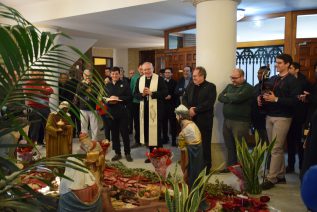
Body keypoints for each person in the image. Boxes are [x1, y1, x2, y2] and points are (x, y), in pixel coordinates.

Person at [258, 54, 301, 190]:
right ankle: (281, 175)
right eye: (276, 63)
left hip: (283, 117)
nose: (277, 65)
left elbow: (295, 101)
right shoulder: (273, 78)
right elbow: (267, 93)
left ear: (288, 64)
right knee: (275, 147)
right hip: (270, 115)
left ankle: (271, 178)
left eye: (280, 63)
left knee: (275, 148)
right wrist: (261, 99)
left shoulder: (293, 81)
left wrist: (276, 99)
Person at [182, 66, 216, 172]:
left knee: (204, 144)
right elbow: (184, 98)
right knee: (192, 144)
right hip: (191, 120)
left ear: (202, 76)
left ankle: (206, 168)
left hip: (204, 120)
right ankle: (193, 166)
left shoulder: (210, 86)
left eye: (195, 76)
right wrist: (188, 109)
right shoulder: (191, 85)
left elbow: (209, 103)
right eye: (193, 75)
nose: (193, 77)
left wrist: (195, 110)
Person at [218, 68, 254, 168]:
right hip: (227, 121)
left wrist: (228, 96)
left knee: (240, 148)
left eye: (235, 78)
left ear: (242, 77)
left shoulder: (248, 88)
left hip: (240, 122)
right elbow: (220, 97)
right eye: (231, 78)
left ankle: (242, 170)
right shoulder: (229, 86)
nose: (232, 80)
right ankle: (231, 168)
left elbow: (238, 98)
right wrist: (232, 97)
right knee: (230, 147)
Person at [134, 62, 168, 163]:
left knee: (156, 132)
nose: (147, 71)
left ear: (153, 68)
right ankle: (152, 154)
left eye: (149, 69)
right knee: (148, 133)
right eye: (144, 70)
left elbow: (165, 93)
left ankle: (160, 155)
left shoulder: (159, 79)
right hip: (144, 110)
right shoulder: (140, 79)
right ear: (142, 70)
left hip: (156, 110)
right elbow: (135, 94)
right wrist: (142, 94)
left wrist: (152, 93)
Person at [104, 67, 133, 162]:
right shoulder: (107, 85)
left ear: (119, 74)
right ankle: (117, 153)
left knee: (124, 134)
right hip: (111, 113)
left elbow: (129, 97)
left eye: (116, 74)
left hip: (122, 113)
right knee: (114, 134)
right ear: (110, 74)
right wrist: (109, 100)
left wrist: (118, 98)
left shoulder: (125, 84)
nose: (114, 75)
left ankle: (127, 153)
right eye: (113, 74)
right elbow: (103, 98)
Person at [286, 62, 310, 173]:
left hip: (300, 116)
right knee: (290, 142)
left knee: (300, 143)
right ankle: (290, 166)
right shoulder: (287, 80)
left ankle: (301, 166)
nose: (289, 69)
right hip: (289, 114)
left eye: (290, 68)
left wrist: (303, 97)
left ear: (296, 70)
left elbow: (309, 97)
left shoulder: (304, 81)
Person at [175, 104, 204, 189]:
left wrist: (184, 169)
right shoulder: (193, 124)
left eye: (176, 115)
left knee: (190, 176)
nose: (176, 118)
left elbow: (183, 154)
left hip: (191, 157)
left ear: (180, 116)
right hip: (198, 155)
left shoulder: (183, 132)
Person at [24, 69, 53, 146]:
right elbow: (29, 93)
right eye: (36, 74)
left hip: (45, 107)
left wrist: (39, 91)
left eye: (40, 74)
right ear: (32, 75)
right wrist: (43, 91)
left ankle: (44, 142)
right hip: (34, 108)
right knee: (34, 127)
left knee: (48, 126)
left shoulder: (44, 82)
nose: (39, 76)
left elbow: (51, 90)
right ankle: (31, 144)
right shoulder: (29, 83)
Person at [75, 69, 99, 141]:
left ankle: (94, 141)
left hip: (92, 108)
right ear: (83, 75)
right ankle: (85, 141)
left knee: (94, 126)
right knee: (83, 126)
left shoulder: (94, 84)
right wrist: (86, 85)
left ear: (91, 75)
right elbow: (79, 92)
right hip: (83, 108)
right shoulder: (80, 84)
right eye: (86, 75)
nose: (87, 77)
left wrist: (88, 88)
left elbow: (96, 94)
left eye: (89, 75)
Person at [251, 66, 270, 143]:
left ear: (267, 74)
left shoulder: (269, 85)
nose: (259, 75)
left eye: (261, 73)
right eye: (258, 73)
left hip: (264, 118)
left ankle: (269, 155)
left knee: (266, 140)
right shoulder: (256, 86)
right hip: (256, 118)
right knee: (258, 141)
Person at [59, 73, 80, 137]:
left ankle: (78, 132)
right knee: (70, 120)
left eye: (65, 78)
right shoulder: (58, 85)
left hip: (72, 104)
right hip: (63, 105)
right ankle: (72, 133)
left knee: (76, 119)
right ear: (60, 79)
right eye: (62, 78)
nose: (64, 79)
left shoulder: (70, 84)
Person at [162, 68, 178, 146]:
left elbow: (177, 93)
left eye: (169, 73)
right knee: (164, 124)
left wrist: (171, 96)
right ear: (164, 74)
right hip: (163, 106)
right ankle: (165, 139)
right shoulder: (161, 82)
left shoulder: (175, 82)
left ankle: (174, 140)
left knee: (173, 124)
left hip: (172, 106)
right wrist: (164, 96)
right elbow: (159, 92)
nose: (167, 74)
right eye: (166, 73)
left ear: (171, 74)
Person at [130, 63, 144, 148]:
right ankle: (137, 141)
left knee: (145, 122)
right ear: (138, 69)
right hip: (135, 103)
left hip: (145, 103)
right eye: (140, 69)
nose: (142, 70)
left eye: (143, 69)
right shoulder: (134, 78)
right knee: (137, 123)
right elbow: (131, 89)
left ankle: (146, 140)